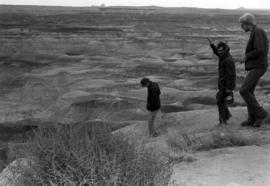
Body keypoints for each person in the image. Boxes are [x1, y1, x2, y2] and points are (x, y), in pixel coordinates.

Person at [239, 13, 269, 127]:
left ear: (248, 23)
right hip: (257, 66)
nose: (241, 27)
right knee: (249, 91)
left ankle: (261, 114)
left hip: (259, 66)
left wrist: (246, 57)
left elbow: (259, 49)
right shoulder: (255, 32)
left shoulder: (258, 32)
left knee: (244, 90)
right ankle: (252, 118)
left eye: (242, 24)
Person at [209, 40, 236, 125]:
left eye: (221, 50)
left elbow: (231, 75)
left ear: (225, 50)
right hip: (222, 84)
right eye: (218, 50)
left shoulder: (229, 61)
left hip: (225, 85)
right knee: (220, 99)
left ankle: (223, 121)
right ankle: (226, 117)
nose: (219, 52)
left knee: (220, 100)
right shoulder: (223, 56)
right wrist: (213, 46)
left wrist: (229, 88)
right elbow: (217, 53)